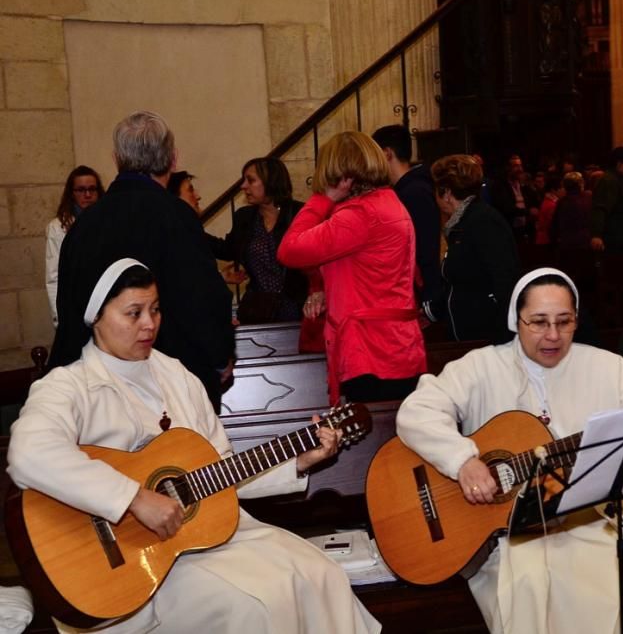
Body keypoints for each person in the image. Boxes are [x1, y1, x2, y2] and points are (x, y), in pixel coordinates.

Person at [8, 259, 380, 634]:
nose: (149, 324)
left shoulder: (177, 375)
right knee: (254, 606)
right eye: (133, 313)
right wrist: (134, 498)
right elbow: (28, 453)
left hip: (203, 541)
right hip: (132, 567)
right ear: (96, 317)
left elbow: (221, 471)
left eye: (154, 309)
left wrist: (298, 460)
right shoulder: (68, 387)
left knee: (324, 574)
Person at [395, 267, 623, 634]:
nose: (552, 335)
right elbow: (415, 412)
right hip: (510, 526)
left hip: (596, 516)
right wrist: (462, 461)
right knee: (531, 580)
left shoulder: (609, 368)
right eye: (538, 322)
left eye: (564, 322)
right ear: (515, 321)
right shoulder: (479, 366)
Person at [49, 111, 234, 412]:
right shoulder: (177, 216)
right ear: (172, 160)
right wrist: (219, 357)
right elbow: (202, 297)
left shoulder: (84, 225)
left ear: (116, 158)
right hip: (172, 388)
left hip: (97, 393)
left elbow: (68, 304)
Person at [277, 131, 426, 404]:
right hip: (396, 346)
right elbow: (363, 268)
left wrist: (323, 199)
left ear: (338, 174)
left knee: (375, 442)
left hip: (371, 351)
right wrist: (324, 290)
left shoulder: (358, 215)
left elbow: (289, 250)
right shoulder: (388, 203)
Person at [421, 155, 520, 343]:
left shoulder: (483, 222)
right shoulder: (462, 223)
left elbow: (504, 282)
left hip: (485, 340)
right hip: (472, 338)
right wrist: (432, 311)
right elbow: (461, 282)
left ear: (447, 193)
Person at [208, 158, 307, 324]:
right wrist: (191, 228)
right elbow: (227, 249)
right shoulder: (245, 217)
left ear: (270, 180)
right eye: (244, 180)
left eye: (251, 180)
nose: (243, 186)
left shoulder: (300, 213)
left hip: (297, 309)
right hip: (258, 311)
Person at [371, 124, 442, 304]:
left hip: (422, 292)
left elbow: (424, 248)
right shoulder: (407, 189)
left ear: (387, 153)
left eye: (373, 154)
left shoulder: (413, 192)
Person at [46, 166, 105, 327]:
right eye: (81, 190)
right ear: (72, 193)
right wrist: (59, 318)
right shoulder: (58, 227)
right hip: (75, 305)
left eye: (92, 189)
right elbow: (53, 277)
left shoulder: (108, 221)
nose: (87, 195)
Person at [590, 146, 623, 252]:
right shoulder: (609, 181)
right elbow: (600, 208)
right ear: (619, 165)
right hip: (615, 244)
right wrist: (596, 235)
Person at [489, 154, 539, 241]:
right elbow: (506, 208)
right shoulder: (500, 186)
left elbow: (534, 201)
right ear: (508, 168)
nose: (520, 169)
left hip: (524, 230)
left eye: (520, 165)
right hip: (509, 231)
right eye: (516, 166)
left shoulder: (523, 185)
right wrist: (527, 212)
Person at [549, 171, 591, 250]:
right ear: (580, 183)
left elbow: (555, 225)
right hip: (586, 241)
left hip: (568, 243)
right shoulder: (588, 199)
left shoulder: (562, 202)